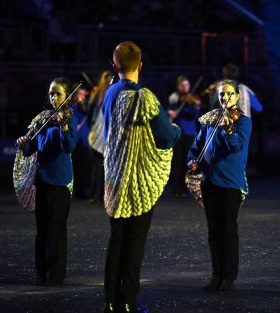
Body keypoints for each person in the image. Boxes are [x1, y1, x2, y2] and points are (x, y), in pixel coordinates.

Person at [102, 41, 181, 313]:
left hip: (113, 177)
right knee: (134, 243)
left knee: (116, 241)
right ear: (141, 65)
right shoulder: (145, 97)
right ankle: (128, 302)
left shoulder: (109, 94)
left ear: (115, 66)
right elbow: (165, 136)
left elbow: (106, 134)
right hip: (138, 182)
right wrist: (176, 130)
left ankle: (109, 300)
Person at [187, 79, 252, 292]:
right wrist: (192, 160)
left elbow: (237, 147)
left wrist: (228, 131)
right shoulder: (210, 119)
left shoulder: (242, 121)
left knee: (228, 230)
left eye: (229, 94)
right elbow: (196, 146)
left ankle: (229, 276)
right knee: (213, 232)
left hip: (230, 182)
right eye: (222, 94)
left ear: (237, 96)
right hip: (209, 181)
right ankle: (216, 274)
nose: (225, 98)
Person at [16, 77, 77, 286]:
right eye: (51, 93)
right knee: (42, 230)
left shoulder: (68, 117)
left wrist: (64, 127)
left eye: (58, 93)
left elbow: (68, 147)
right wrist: (24, 143)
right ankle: (41, 273)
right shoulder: (42, 118)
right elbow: (31, 149)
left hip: (60, 182)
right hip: (42, 180)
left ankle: (56, 275)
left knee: (57, 230)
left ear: (66, 95)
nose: (54, 97)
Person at [167, 75, 201, 197]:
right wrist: (171, 112)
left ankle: (186, 188)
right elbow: (169, 111)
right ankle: (176, 189)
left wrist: (195, 106)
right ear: (179, 86)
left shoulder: (193, 99)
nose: (186, 88)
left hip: (190, 133)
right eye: (183, 85)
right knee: (177, 161)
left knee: (187, 162)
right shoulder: (174, 98)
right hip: (178, 132)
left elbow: (195, 115)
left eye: (187, 85)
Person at [88, 70, 113, 205]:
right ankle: (102, 196)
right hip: (102, 130)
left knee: (97, 167)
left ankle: (95, 195)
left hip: (99, 130)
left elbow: (89, 110)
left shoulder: (98, 94)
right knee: (103, 168)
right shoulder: (106, 94)